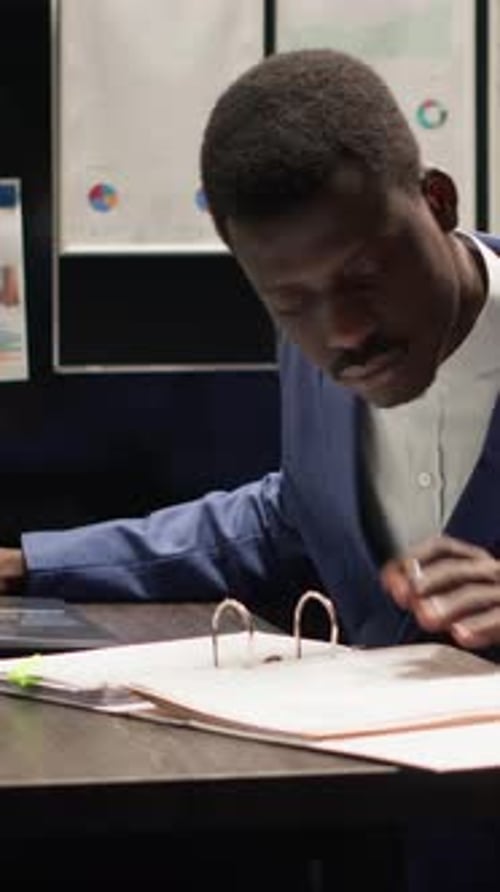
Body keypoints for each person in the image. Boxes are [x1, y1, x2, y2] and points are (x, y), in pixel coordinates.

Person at [1, 47, 500, 888]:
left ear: (437, 201)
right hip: (378, 841)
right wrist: (35, 563)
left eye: (365, 275)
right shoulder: (315, 344)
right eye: (291, 300)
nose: (341, 331)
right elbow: (292, 514)